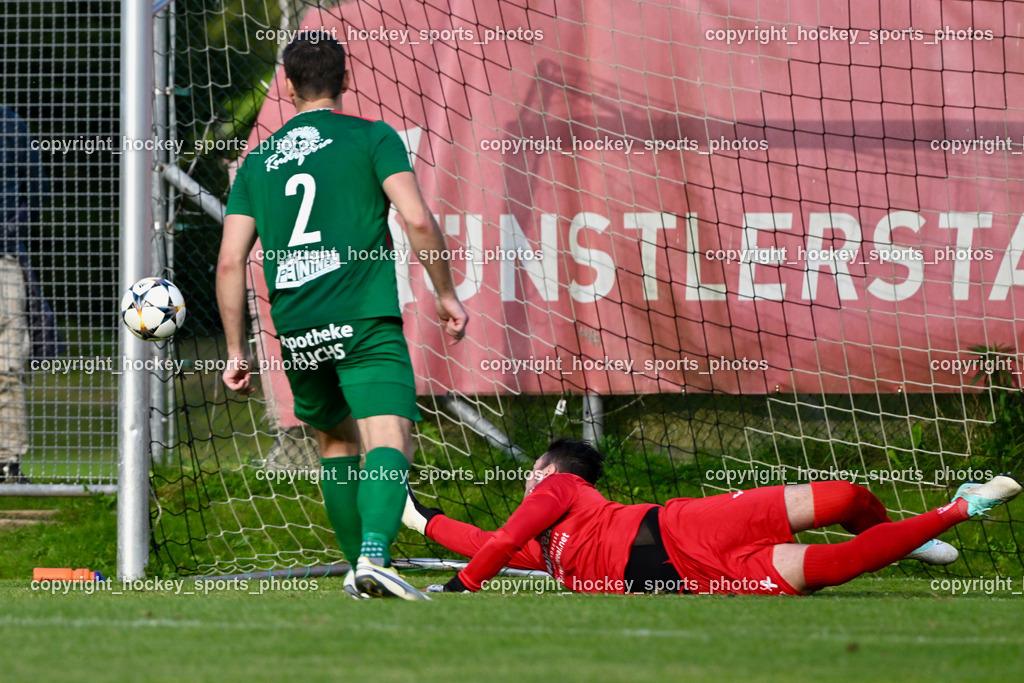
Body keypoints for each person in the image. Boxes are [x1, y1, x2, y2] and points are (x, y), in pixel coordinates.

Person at [217, 32, 468, 601]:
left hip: (299, 324)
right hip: (363, 317)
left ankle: (358, 566)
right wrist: (447, 294)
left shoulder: (259, 159)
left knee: (334, 442)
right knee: (390, 434)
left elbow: (231, 262)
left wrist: (237, 351)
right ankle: (376, 556)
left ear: (286, 84)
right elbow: (419, 221)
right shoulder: (372, 137)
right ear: (345, 80)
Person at [404, 438, 1021, 595]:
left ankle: (903, 538)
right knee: (832, 570)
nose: (530, 477)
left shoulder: (560, 486)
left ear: (548, 470)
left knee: (846, 499)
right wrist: (417, 517)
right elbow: (483, 540)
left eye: (533, 469)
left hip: (683, 528)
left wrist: (460, 587)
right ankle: (962, 508)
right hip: (692, 578)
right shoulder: (540, 550)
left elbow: (501, 536)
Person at [0, 106, 62, 485]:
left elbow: (36, 186)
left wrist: (7, 230)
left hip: (3, 257)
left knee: (7, 363)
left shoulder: (7, 122)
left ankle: (7, 463)